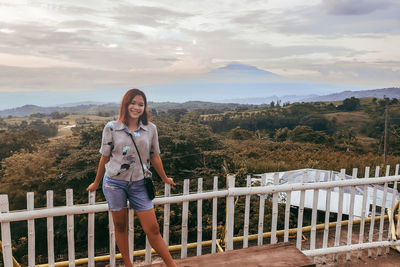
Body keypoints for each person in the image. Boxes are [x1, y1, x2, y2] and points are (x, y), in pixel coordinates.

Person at [86, 88, 177, 267]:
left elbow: (155, 156)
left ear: (145, 107)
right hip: (114, 183)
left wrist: (165, 178)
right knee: (120, 227)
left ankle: (171, 265)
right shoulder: (111, 127)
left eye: (140, 104)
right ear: (125, 105)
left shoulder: (151, 129)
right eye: (133, 103)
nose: (136, 107)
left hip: (140, 184)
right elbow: (104, 157)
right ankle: (128, 265)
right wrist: (96, 182)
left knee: (153, 229)